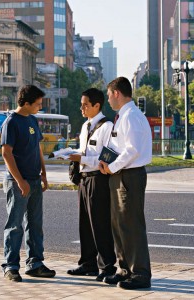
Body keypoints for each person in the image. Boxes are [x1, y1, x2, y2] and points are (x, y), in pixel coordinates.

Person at [99, 77, 152, 290]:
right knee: (119, 225)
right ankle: (125, 269)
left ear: (117, 93)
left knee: (131, 225)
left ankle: (140, 273)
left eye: (109, 94)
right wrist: (106, 162)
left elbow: (132, 150)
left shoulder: (131, 116)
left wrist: (111, 167)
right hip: (120, 174)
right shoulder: (123, 116)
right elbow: (118, 146)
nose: (108, 99)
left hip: (129, 175)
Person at [1, 85, 56, 282]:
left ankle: (35, 263)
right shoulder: (11, 122)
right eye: (38, 104)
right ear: (26, 103)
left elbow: (37, 148)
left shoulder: (32, 120)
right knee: (15, 225)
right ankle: (10, 266)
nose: (40, 107)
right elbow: (6, 153)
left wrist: (44, 173)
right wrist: (20, 181)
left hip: (34, 179)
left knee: (35, 224)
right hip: (18, 182)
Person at [67, 88, 117, 282]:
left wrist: (82, 158)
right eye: (81, 104)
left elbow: (107, 157)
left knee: (100, 223)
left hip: (99, 179)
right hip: (84, 179)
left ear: (97, 105)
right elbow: (82, 151)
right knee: (85, 223)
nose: (82, 108)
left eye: (85, 105)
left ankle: (107, 266)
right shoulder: (85, 126)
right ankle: (88, 263)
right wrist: (73, 157)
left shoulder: (107, 127)